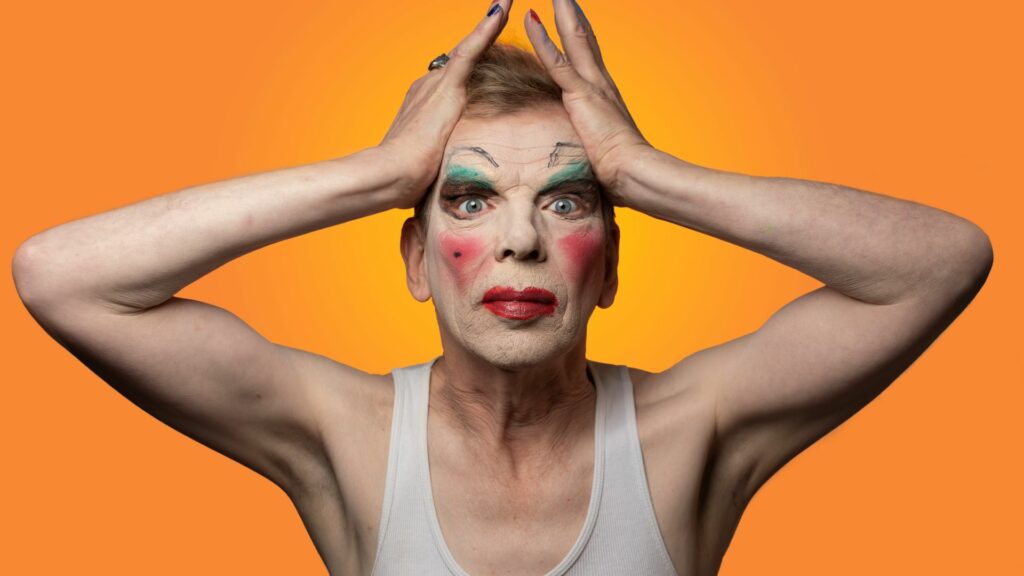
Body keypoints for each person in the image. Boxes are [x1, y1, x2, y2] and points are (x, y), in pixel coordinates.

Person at [12, 1, 992, 575]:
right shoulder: (342, 433)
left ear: (608, 266)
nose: (519, 239)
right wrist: (379, 172)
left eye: (566, 203)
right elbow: (60, 276)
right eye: (470, 201)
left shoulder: (697, 428)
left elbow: (941, 260)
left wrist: (644, 173)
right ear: (414, 256)